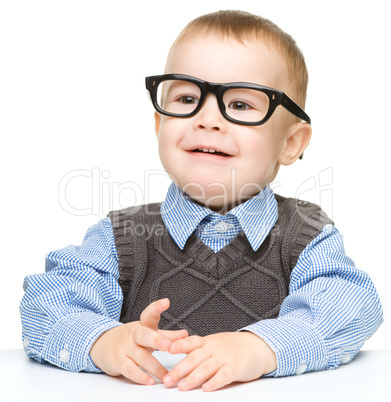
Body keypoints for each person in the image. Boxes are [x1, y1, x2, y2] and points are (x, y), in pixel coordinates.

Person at [20, 10, 383, 392]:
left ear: (290, 143)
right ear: (160, 124)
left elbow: (352, 305)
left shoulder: (306, 236)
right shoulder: (122, 237)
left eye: (240, 105)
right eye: (188, 97)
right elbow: (48, 300)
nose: (208, 119)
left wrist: (259, 348)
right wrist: (101, 341)